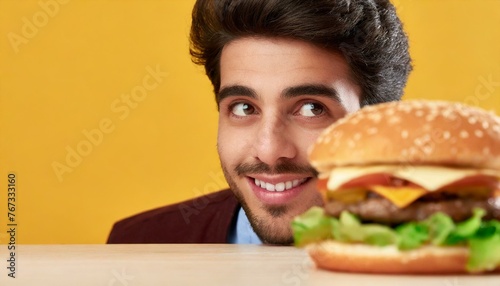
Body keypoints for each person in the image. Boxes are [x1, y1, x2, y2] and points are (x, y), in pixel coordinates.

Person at [107, 0, 412, 245]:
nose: (269, 151)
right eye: (243, 107)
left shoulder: (447, 256)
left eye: (312, 108)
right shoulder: (141, 245)